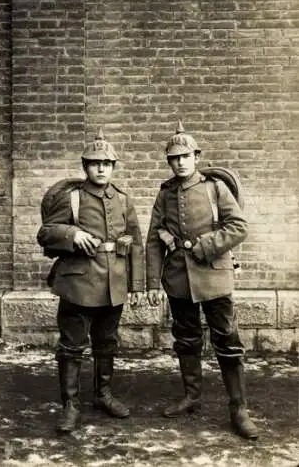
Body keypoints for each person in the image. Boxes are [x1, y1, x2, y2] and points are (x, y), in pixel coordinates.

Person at [146, 120, 258, 440]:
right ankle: (192, 396)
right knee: (186, 338)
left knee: (227, 340)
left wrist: (203, 246)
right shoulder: (165, 193)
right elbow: (154, 239)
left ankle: (238, 407)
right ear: (169, 161)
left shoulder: (215, 188)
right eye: (174, 157)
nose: (180, 162)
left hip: (214, 276)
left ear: (197, 157)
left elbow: (238, 227)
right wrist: (153, 283)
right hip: (179, 278)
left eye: (185, 156)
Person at [37, 129, 144, 433]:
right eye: (95, 163)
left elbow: (135, 242)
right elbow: (45, 233)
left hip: (114, 284)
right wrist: (73, 234)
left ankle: (103, 395)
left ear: (113, 167)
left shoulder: (123, 200)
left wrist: (136, 286)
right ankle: (70, 405)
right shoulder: (71, 198)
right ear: (85, 166)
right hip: (78, 284)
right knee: (72, 346)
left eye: (107, 163)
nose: (101, 168)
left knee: (106, 343)